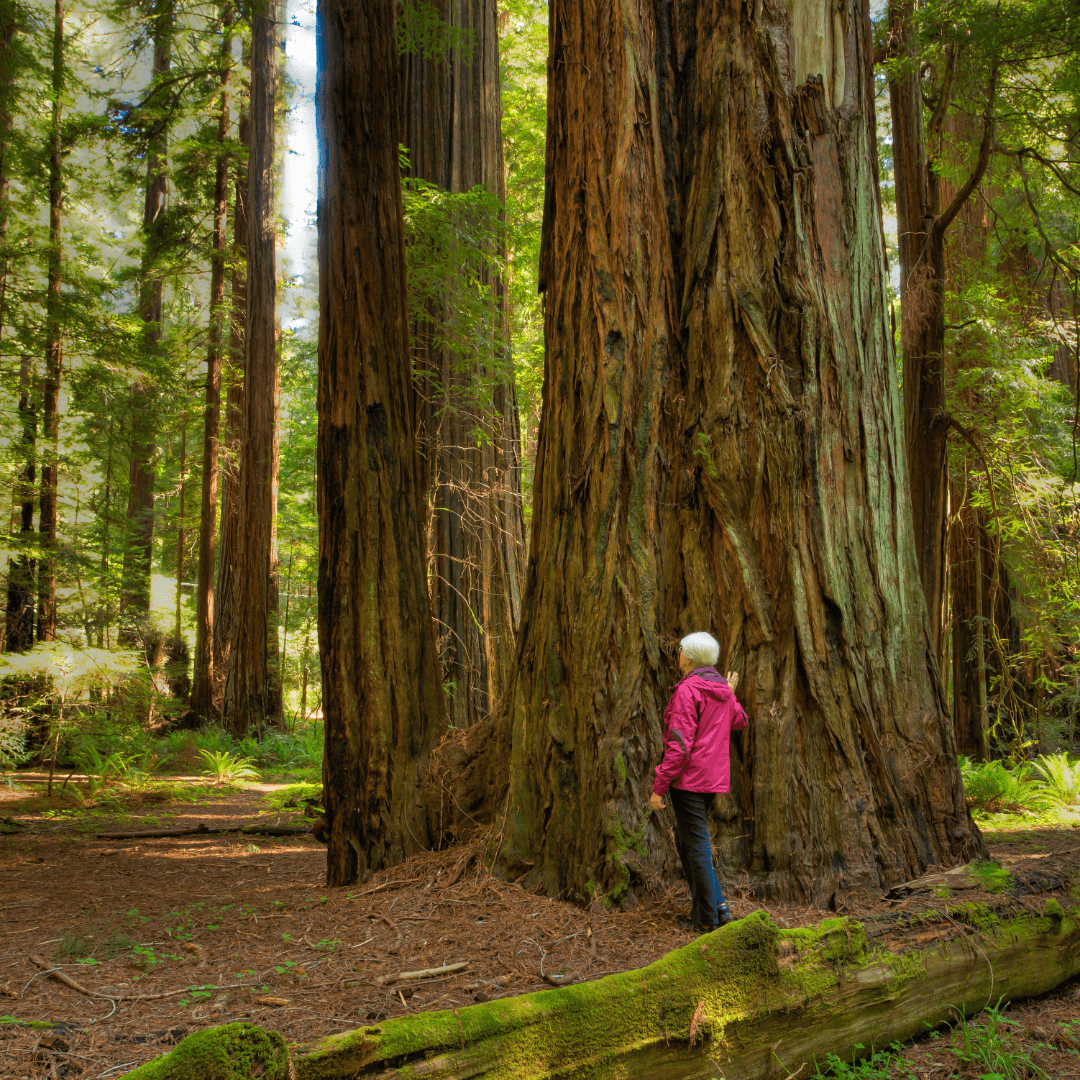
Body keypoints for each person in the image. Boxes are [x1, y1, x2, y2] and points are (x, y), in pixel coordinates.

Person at [649, 631, 747, 934]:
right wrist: (729, 695)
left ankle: (707, 920)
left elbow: (678, 745)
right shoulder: (720, 690)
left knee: (697, 846)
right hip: (712, 778)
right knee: (687, 841)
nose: (678, 653)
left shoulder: (688, 690)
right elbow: (740, 720)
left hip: (690, 779)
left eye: (680, 650)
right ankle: (718, 907)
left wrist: (659, 787)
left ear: (689, 657)